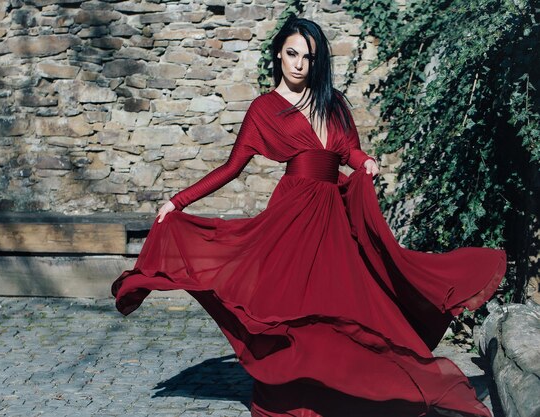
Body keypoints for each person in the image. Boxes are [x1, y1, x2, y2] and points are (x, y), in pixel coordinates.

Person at [112, 17, 506, 417]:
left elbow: (347, 152)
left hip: (333, 215)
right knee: (291, 305)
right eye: (292, 54)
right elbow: (232, 168)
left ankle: (342, 386)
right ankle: (289, 394)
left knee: (339, 302)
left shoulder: (332, 103)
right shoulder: (264, 109)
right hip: (293, 214)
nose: (299, 64)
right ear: (279, 54)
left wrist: (364, 161)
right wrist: (177, 202)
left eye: (308, 57)